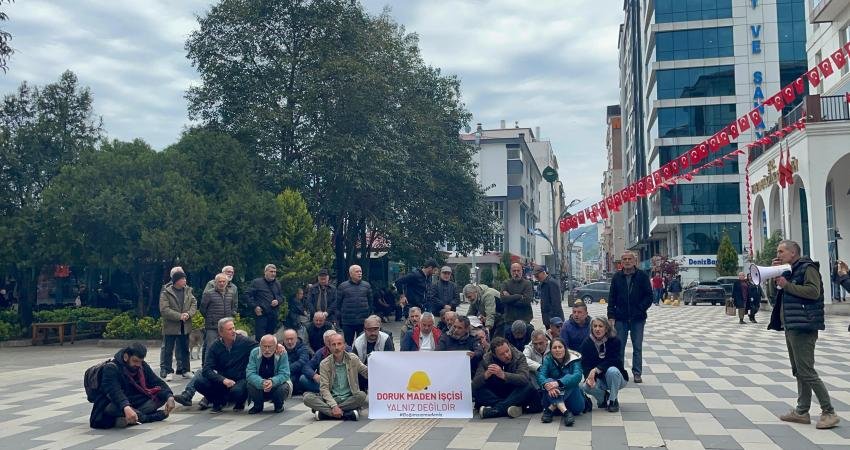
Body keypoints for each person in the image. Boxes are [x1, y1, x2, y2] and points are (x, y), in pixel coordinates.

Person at [766, 240, 839, 429]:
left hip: (804, 326)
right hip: (792, 325)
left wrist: (787, 284)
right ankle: (801, 411)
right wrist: (778, 277)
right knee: (799, 371)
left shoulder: (808, 268)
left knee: (807, 371)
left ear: (793, 253)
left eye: (781, 251)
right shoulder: (790, 270)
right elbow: (779, 295)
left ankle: (829, 412)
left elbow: (814, 292)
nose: (778, 254)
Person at [89, 343, 176, 429]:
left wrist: (169, 397)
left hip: (133, 400)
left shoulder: (142, 366)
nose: (138, 365)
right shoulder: (111, 368)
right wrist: (126, 407)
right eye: (135, 361)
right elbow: (114, 392)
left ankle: (130, 417)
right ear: (126, 357)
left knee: (160, 396)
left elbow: (156, 382)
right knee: (112, 408)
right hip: (114, 402)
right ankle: (146, 417)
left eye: (140, 361)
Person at [607, 251, 652, 383]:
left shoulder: (642, 276)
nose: (627, 261)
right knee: (619, 347)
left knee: (637, 347)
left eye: (629, 259)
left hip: (638, 319)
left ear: (635, 261)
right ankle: (619, 372)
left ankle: (637, 373)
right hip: (620, 319)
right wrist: (611, 315)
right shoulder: (616, 277)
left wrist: (640, 308)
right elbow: (611, 298)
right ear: (621, 262)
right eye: (624, 259)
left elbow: (649, 296)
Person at [195, 317, 256, 413]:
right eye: (229, 329)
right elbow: (207, 369)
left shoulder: (244, 341)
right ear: (221, 333)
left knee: (237, 392)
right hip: (223, 379)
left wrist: (277, 346)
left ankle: (239, 402)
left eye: (233, 328)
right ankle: (218, 402)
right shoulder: (215, 346)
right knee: (199, 382)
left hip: (240, 379)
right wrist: (222, 379)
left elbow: (261, 346)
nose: (233, 331)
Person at [303, 333, 368, 421]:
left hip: (349, 398)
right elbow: (324, 388)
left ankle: (325, 413)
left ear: (344, 345)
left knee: (362, 395)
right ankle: (346, 414)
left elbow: (366, 372)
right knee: (307, 398)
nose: (336, 347)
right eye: (333, 345)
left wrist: (374, 365)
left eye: (339, 344)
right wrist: (333, 406)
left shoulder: (353, 358)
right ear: (329, 347)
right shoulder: (324, 364)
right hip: (331, 399)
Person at [472, 337, 538, 419]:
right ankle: (511, 407)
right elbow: (473, 385)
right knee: (478, 390)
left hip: (514, 392)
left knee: (529, 387)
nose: (507, 355)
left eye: (507, 351)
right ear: (494, 355)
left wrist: (503, 375)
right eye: (502, 354)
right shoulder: (486, 360)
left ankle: (494, 411)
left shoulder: (519, 356)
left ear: (509, 347)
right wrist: (486, 375)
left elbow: (524, 379)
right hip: (497, 393)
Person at [580, 316, 628, 412]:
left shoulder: (615, 341)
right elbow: (585, 365)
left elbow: (615, 360)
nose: (597, 329)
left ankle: (613, 400)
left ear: (606, 328)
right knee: (585, 386)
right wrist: (589, 377)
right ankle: (604, 397)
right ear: (592, 328)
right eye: (595, 326)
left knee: (612, 371)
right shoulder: (586, 343)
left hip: (616, 378)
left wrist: (596, 369)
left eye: (600, 326)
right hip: (599, 379)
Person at [159, 271, 197, 381]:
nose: (185, 281)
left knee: (185, 349)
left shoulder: (188, 291)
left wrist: (188, 314)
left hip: (185, 325)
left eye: (185, 279)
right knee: (168, 349)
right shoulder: (166, 292)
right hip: (171, 326)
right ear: (176, 281)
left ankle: (186, 370)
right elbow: (164, 309)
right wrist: (179, 316)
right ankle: (168, 371)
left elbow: (194, 304)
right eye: (182, 279)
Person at [537, 338, 584, 426]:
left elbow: (578, 376)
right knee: (548, 381)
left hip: (573, 404)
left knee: (569, 379)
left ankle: (552, 408)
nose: (557, 350)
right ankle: (565, 412)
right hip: (551, 398)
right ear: (551, 350)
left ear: (565, 348)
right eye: (554, 348)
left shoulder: (574, 359)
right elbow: (540, 375)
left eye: (560, 347)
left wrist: (558, 383)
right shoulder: (547, 359)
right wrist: (546, 384)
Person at [246, 335, 291, 414]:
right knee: (250, 384)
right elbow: (250, 373)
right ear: (260, 346)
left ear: (276, 346)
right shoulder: (254, 352)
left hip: (276, 384)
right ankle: (258, 406)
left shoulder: (282, 353)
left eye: (270, 347)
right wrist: (261, 382)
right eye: (264, 346)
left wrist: (272, 381)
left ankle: (279, 405)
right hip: (260, 385)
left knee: (283, 387)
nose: (267, 350)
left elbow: (285, 374)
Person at [201, 273, 237, 362]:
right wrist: (211, 319)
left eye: (223, 281)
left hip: (226, 327)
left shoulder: (231, 293)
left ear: (227, 282)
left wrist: (231, 316)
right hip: (212, 326)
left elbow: (233, 307)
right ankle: (207, 369)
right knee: (210, 348)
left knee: (226, 347)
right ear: (215, 282)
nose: (221, 283)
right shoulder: (208, 293)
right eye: (219, 281)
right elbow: (202, 309)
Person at [334, 265, 373, 345]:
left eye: (360, 271)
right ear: (350, 274)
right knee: (347, 344)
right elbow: (338, 304)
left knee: (363, 343)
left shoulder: (367, 285)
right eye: (357, 271)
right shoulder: (343, 286)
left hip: (363, 321)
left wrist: (368, 316)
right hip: (348, 322)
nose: (359, 273)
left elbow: (370, 303)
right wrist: (339, 319)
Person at [248, 264, 283, 341]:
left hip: (273, 316)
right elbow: (247, 295)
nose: (273, 273)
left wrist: (277, 301)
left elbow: (281, 297)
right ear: (265, 272)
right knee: (260, 339)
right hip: (261, 315)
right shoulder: (256, 282)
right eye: (271, 271)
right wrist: (255, 306)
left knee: (270, 339)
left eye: (275, 272)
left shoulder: (277, 283)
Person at [501, 263, 534, 335]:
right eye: (514, 271)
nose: (516, 273)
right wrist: (518, 296)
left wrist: (510, 298)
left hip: (525, 319)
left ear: (522, 271)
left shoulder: (527, 283)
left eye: (518, 270)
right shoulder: (505, 283)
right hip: (509, 320)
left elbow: (527, 301)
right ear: (510, 272)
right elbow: (503, 299)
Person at [280, 329, 310, 395]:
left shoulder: (303, 348)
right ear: (283, 340)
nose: (289, 342)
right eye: (287, 339)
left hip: (297, 375)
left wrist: (286, 370)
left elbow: (302, 362)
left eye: (291, 339)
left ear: (296, 339)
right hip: (284, 374)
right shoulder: (280, 349)